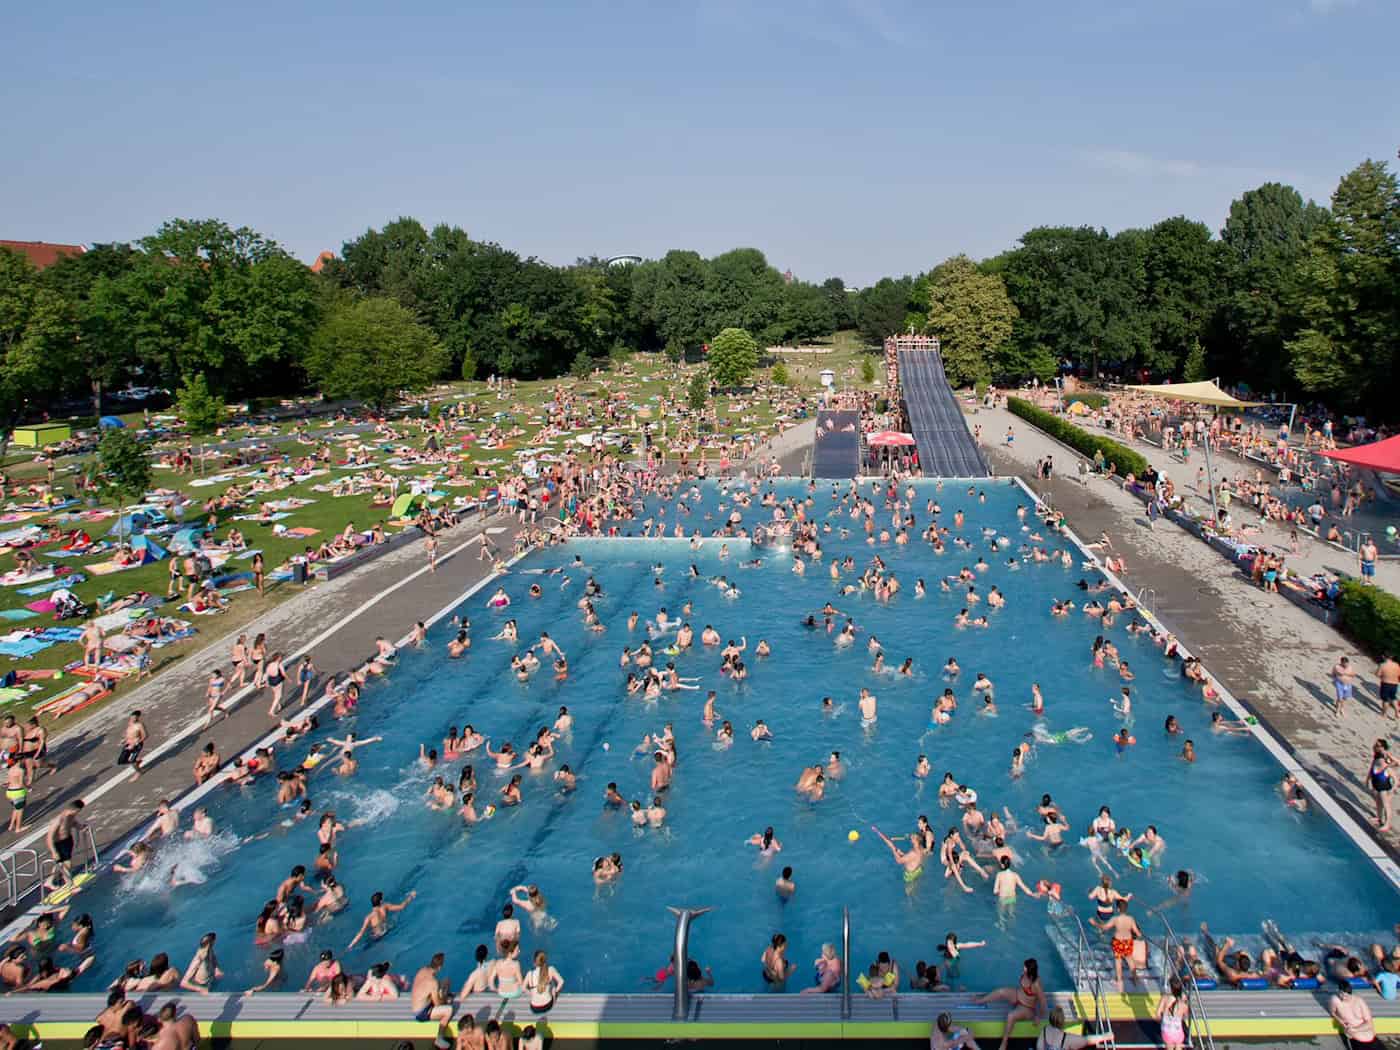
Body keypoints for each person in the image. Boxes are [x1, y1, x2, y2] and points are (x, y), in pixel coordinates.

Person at [973, 957, 1044, 1050]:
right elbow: (1022, 989)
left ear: (1029, 969)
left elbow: (1043, 1002)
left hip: (1027, 1008)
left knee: (1010, 1016)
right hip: (1017, 997)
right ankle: (980, 1000)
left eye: (1025, 967)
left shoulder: (1036, 984)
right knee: (1001, 991)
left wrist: (1038, 1016)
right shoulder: (1025, 974)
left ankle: (1004, 1043)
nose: (1023, 968)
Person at [1035, 1006, 1114, 1049]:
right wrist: (1105, 1036)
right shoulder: (1066, 1039)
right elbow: (1087, 1040)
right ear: (1062, 1021)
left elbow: (1039, 1046)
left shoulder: (1044, 1031)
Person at [1329, 978, 1377, 1047]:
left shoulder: (1359, 1001)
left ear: (1350, 994)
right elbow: (1333, 1013)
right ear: (1338, 991)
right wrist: (1341, 1022)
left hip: (1369, 1035)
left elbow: (1369, 1023)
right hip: (1354, 1037)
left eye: (1346, 996)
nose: (1343, 998)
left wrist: (1354, 1030)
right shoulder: (1335, 1000)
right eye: (1341, 994)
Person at [1156, 975, 1189, 1048]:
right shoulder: (1183, 1004)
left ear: (1171, 988)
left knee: (1169, 1046)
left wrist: (1164, 1018)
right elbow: (1186, 1016)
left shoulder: (1164, 998)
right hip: (1178, 1034)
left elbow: (1157, 1015)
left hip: (1166, 1033)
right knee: (1178, 1045)